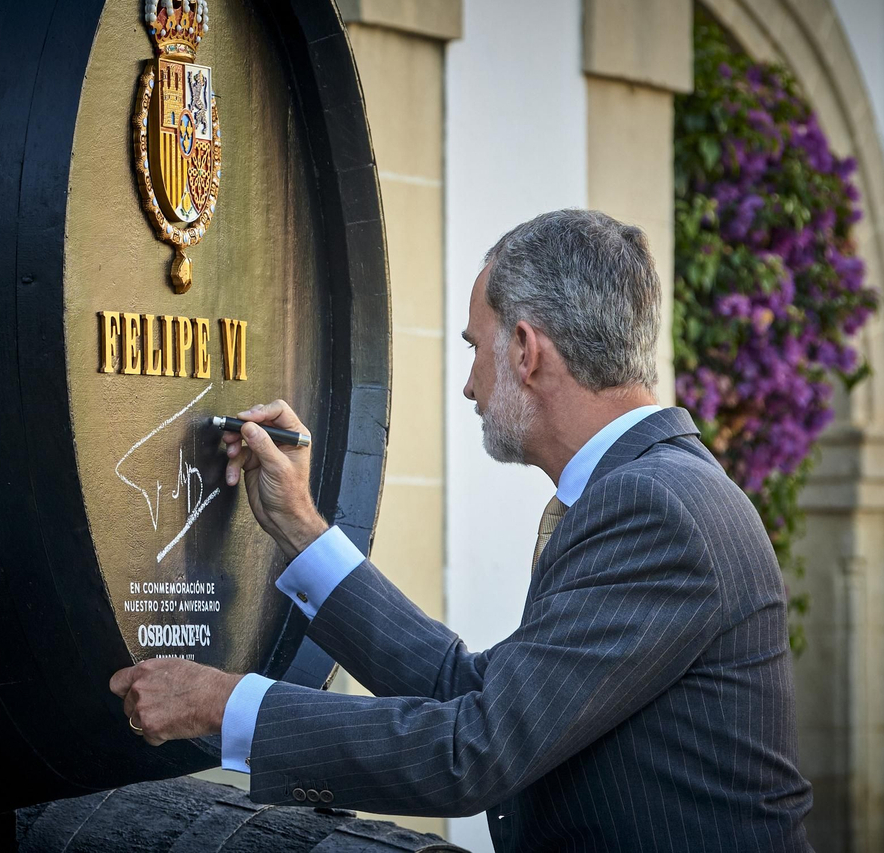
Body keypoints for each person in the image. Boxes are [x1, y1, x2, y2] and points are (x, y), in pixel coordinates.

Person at [110, 209, 813, 850]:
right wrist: (299, 528)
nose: (471, 386)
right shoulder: (654, 490)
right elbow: (470, 691)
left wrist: (223, 703)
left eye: (477, 347)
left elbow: (473, 751)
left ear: (528, 349)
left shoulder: (657, 510)